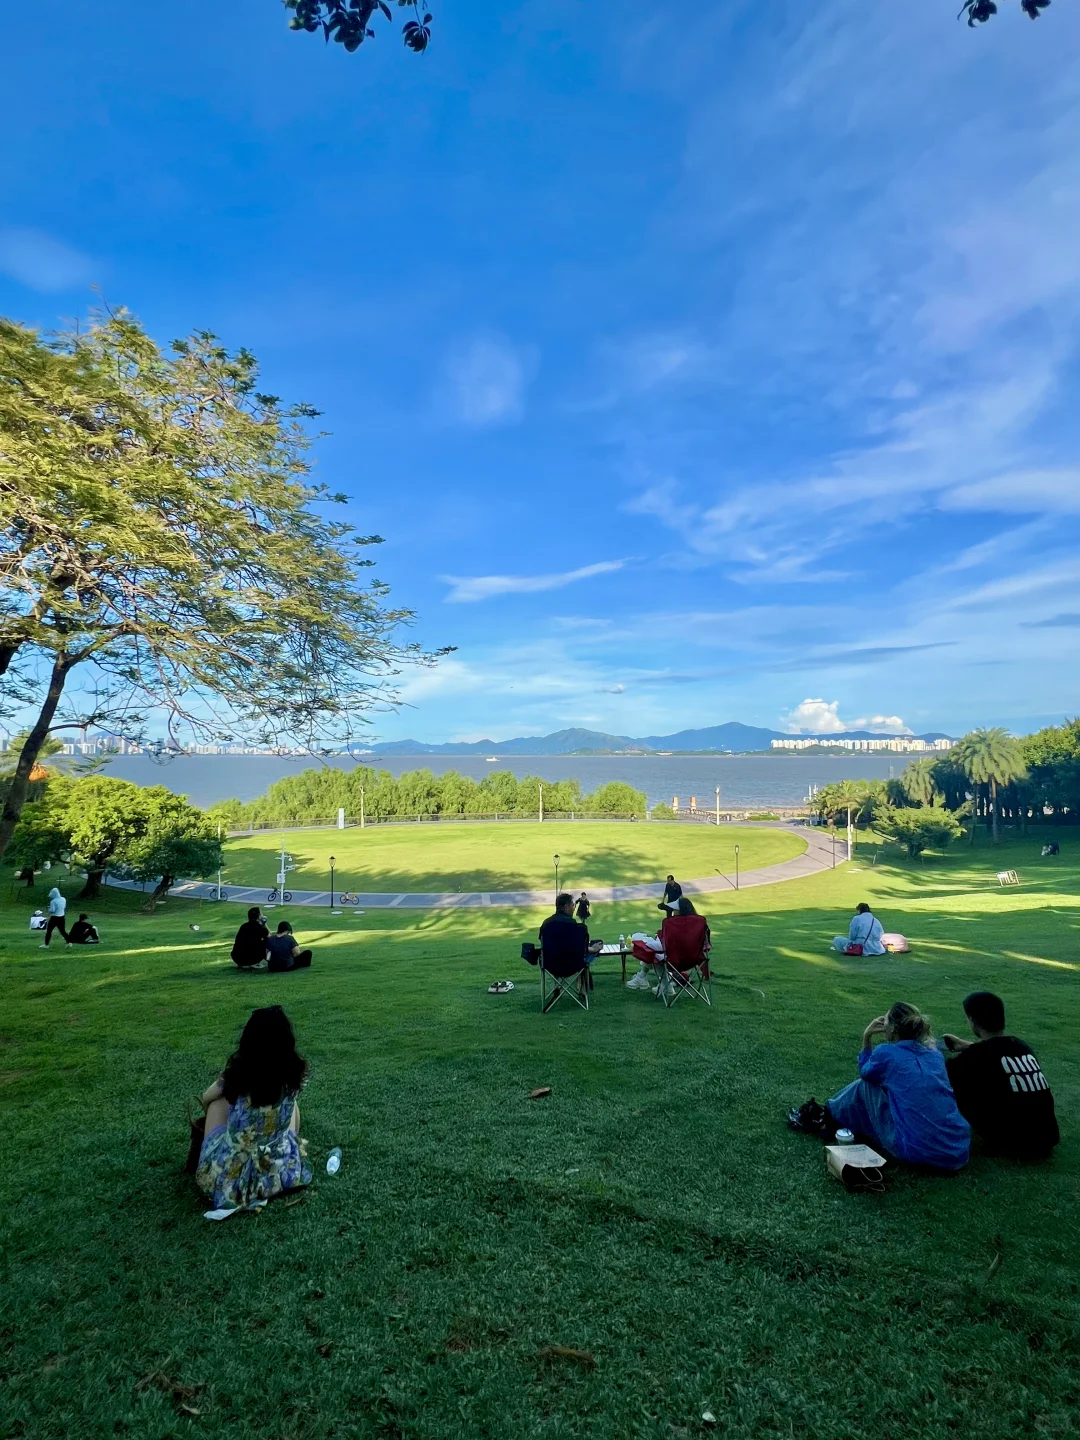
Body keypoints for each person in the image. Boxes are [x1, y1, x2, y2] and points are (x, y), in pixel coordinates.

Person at [817, 1002, 970, 1171]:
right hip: (957, 1151)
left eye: (886, 1020)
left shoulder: (886, 1053)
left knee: (865, 1086)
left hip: (917, 1151)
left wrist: (866, 1037)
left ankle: (828, 1115)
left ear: (893, 1028)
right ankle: (833, 1114)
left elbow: (866, 1072)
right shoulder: (935, 1056)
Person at [196, 1005, 312, 1212]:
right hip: (280, 1170)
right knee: (291, 1103)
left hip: (231, 1182)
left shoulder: (236, 1075)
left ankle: (212, 1155)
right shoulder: (292, 1074)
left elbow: (205, 1099)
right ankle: (285, 1142)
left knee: (215, 1104)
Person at [943, 991, 1059, 1158]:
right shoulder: (1021, 1046)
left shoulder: (973, 1058)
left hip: (1013, 1143)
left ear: (972, 1021)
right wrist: (968, 1046)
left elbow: (942, 1077)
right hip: (1047, 1137)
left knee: (955, 1085)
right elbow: (995, 1053)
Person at [627, 897, 711, 995]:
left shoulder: (674, 926)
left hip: (675, 961)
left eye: (675, 910)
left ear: (680, 911)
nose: (673, 913)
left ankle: (665, 986)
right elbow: (706, 945)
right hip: (695, 961)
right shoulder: (697, 925)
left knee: (653, 954)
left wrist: (646, 942)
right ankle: (642, 978)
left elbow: (662, 947)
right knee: (657, 954)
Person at [538, 892, 603, 995]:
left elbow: (545, 945)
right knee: (584, 956)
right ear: (565, 907)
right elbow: (577, 948)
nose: (574, 908)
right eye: (573, 905)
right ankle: (581, 989)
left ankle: (557, 984)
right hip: (573, 965)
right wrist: (593, 949)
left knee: (555, 952)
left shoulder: (546, 924)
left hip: (550, 965)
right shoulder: (573, 926)